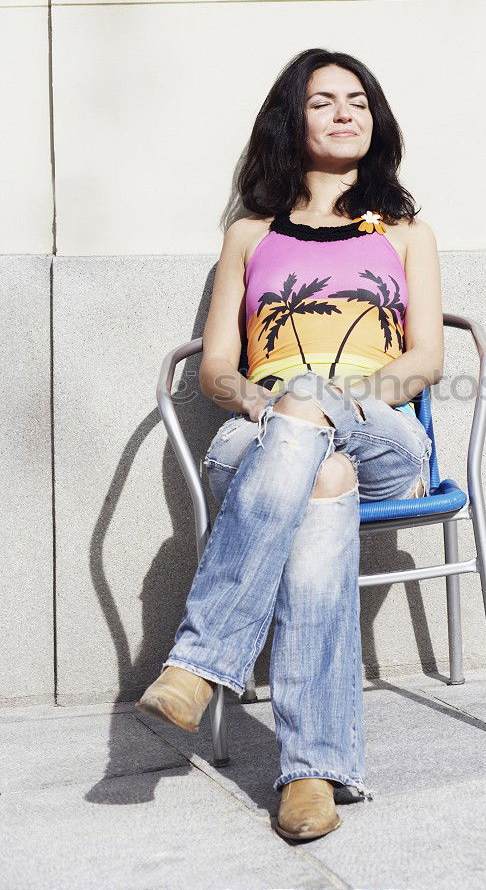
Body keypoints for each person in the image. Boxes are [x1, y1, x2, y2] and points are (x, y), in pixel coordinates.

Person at [136, 48, 444, 841]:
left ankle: (200, 664)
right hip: (263, 437)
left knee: (329, 436)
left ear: (375, 123)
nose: (344, 112)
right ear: (291, 119)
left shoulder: (407, 232)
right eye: (323, 101)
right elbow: (213, 371)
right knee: (321, 479)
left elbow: (425, 360)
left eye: (358, 101)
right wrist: (284, 411)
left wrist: (331, 400)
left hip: (381, 436)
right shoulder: (248, 234)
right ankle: (312, 774)